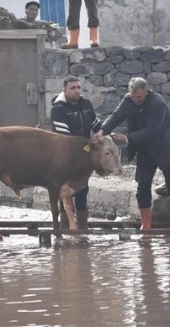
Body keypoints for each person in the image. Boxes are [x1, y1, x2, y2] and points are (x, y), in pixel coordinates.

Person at [94, 77, 170, 230]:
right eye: (134, 96)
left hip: (165, 147)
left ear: (147, 91)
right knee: (142, 185)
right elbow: (116, 116)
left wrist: (127, 138)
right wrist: (103, 130)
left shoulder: (157, 103)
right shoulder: (128, 99)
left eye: (140, 97)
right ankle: (146, 225)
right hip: (144, 149)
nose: (136, 100)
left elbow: (152, 130)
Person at [50, 76, 101, 229]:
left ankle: (82, 227)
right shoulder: (58, 108)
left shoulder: (86, 104)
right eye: (73, 88)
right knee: (64, 190)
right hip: (64, 157)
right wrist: (88, 144)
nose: (77, 91)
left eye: (78, 87)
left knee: (83, 190)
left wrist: (103, 133)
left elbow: (96, 124)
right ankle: (65, 228)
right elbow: (65, 136)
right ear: (64, 90)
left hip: (84, 156)